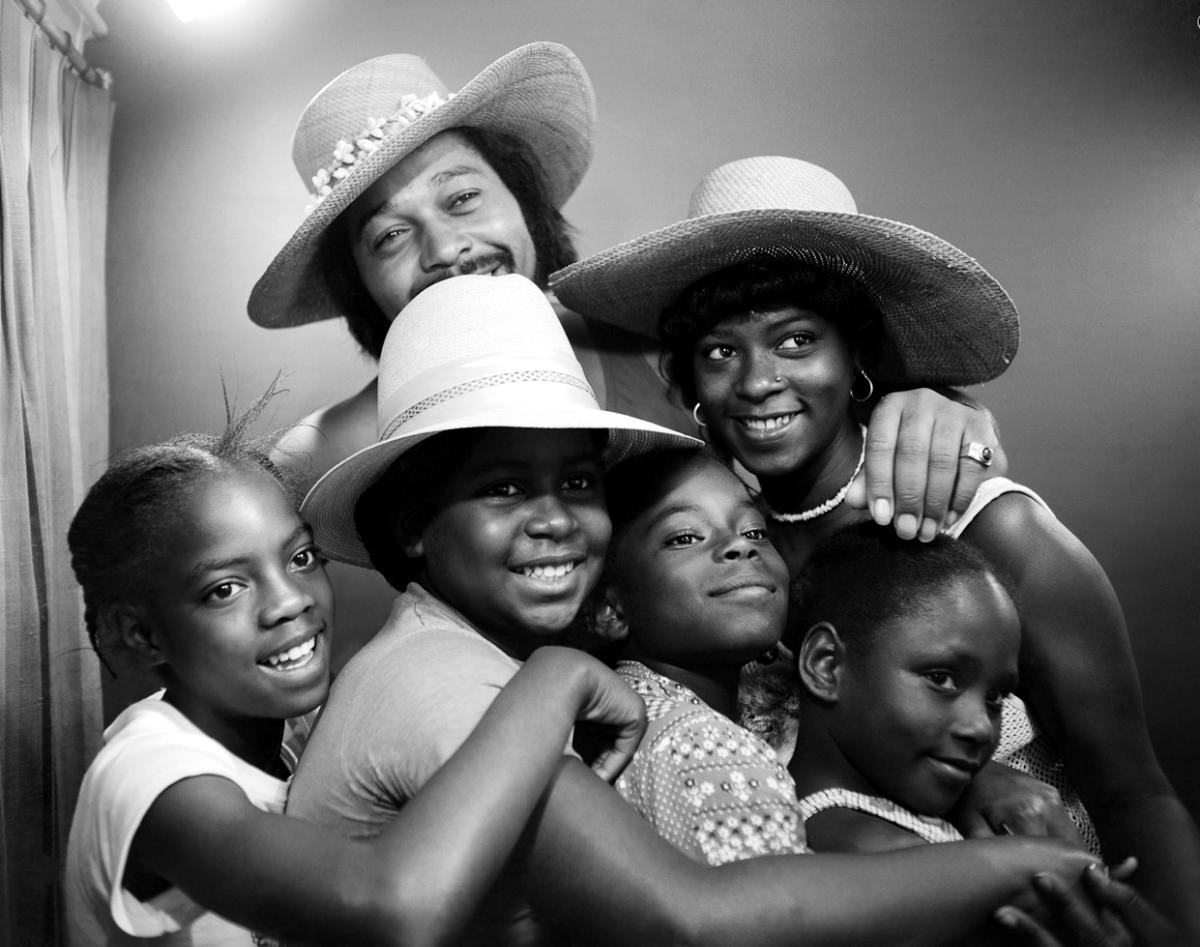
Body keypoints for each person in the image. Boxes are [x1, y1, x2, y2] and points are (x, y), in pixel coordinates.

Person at [291, 273, 1120, 947]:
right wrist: (1032, 869)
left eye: (578, 482)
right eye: (503, 487)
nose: (554, 518)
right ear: (412, 526)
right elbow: (690, 915)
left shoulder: (535, 643)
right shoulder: (455, 682)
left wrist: (968, 767)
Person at [551, 154, 1200, 937]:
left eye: (795, 341)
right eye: (721, 352)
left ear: (855, 358)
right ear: (689, 379)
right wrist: (965, 784)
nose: (757, 381)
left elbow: (1137, 795)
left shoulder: (990, 525)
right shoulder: (721, 549)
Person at [249, 42, 1008, 537]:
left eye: (462, 198)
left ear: (525, 202)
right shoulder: (321, 456)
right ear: (359, 287)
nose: (447, 249)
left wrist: (939, 405)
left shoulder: (651, 338)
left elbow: (814, 395)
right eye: (389, 235)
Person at [61, 389, 649, 946]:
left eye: (299, 557)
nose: (290, 601)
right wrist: (554, 679)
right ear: (141, 635)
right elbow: (392, 910)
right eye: (225, 589)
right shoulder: (151, 779)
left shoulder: (286, 734)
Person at [589, 446, 807, 865]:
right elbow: (778, 919)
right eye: (685, 537)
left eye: (755, 531)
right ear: (612, 609)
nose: (739, 547)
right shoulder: (707, 749)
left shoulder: (634, 703)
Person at [786, 522, 1021, 852]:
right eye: (941, 678)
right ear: (825, 665)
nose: (981, 728)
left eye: (995, 698)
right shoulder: (879, 852)